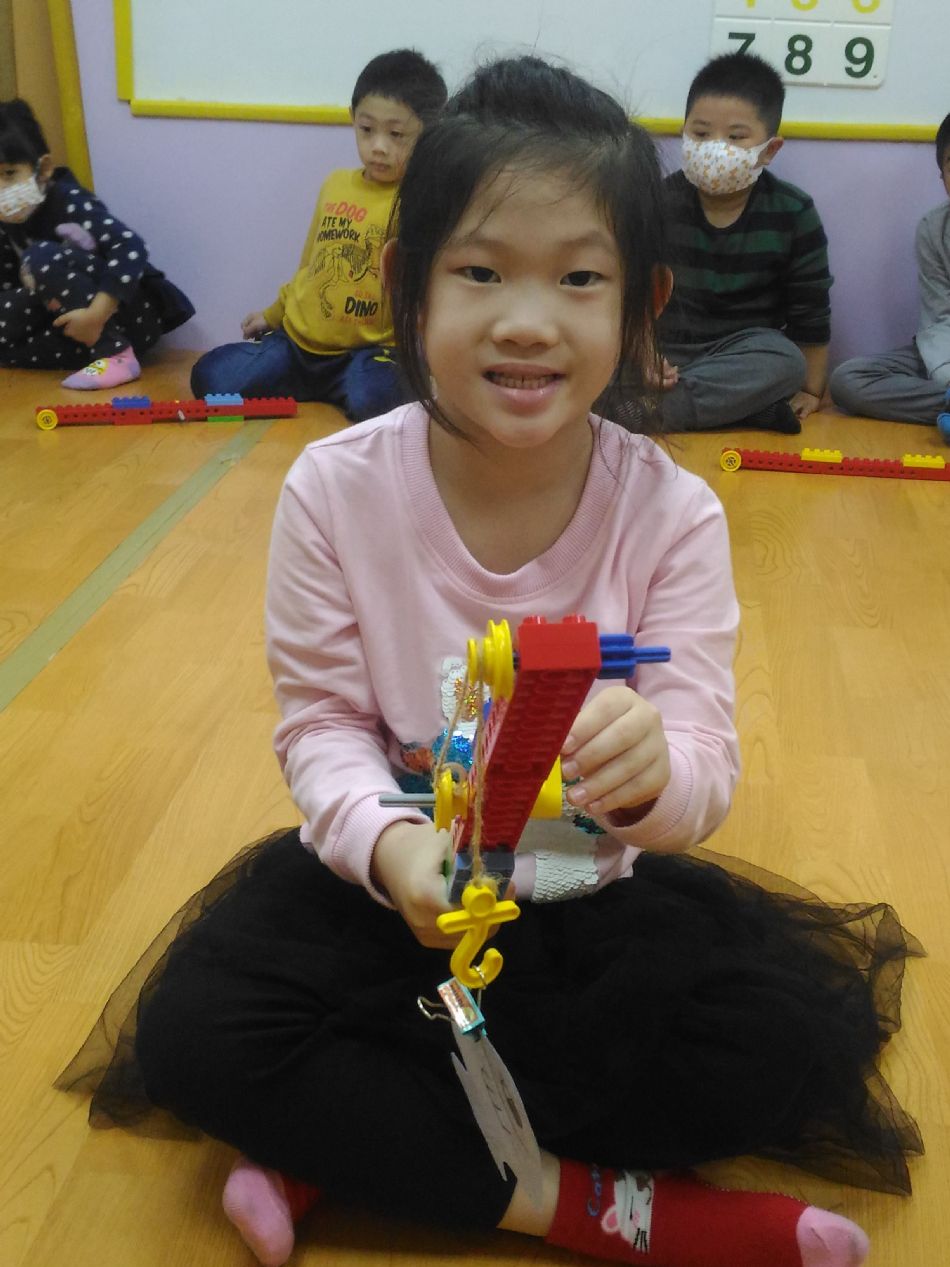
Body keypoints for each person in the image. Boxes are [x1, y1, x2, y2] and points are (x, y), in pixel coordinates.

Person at [58, 57, 921, 1267]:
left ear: (640, 304)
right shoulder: (334, 491)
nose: (526, 319)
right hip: (393, 894)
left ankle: (344, 1151)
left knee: (764, 1058)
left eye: (578, 278)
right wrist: (389, 848)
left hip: (591, 914)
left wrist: (653, 772)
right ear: (406, 288)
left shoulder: (669, 514)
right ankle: (595, 1207)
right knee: (200, 1032)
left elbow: (702, 766)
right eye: (478, 271)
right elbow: (322, 726)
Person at [189, 49, 447, 421]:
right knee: (211, 377)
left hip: (369, 353)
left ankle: (348, 385)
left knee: (375, 399)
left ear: (428, 134)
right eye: (366, 129)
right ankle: (314, 383)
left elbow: (427, 288)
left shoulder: (418, 199)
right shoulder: (335, 184)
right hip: (298, 346)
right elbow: (310, 263)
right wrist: (273, 314)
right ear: (353, 119)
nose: (378, 146)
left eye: (396, 134)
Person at [654, 52, 832, 434]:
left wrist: (811, 389)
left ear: (769, 149)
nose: (715, 148)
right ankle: (740, 410)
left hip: (742, 354)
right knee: (600, 352)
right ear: (684, 134)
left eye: (735, 137)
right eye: (701, 134)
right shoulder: (657, 202)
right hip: (663, 351)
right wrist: (642, 356)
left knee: (786, 361)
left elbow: (811, 311)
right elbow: (628, 294)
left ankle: (655, 410)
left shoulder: (793, 211)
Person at [0, 98, 194, 388]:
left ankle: (116, 355)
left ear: (44, 169)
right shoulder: (7, 221)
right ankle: (92, 354)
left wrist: (97, 314)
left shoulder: (68, 200)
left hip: (124, 314)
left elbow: (130, 247)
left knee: (40, 257)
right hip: (72, 325)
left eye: (9, 173)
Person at [830, 112, 950, 428]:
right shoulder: (934, 229)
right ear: (942, 175)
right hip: (944, 354)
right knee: (849, 381)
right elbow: (939, 319)